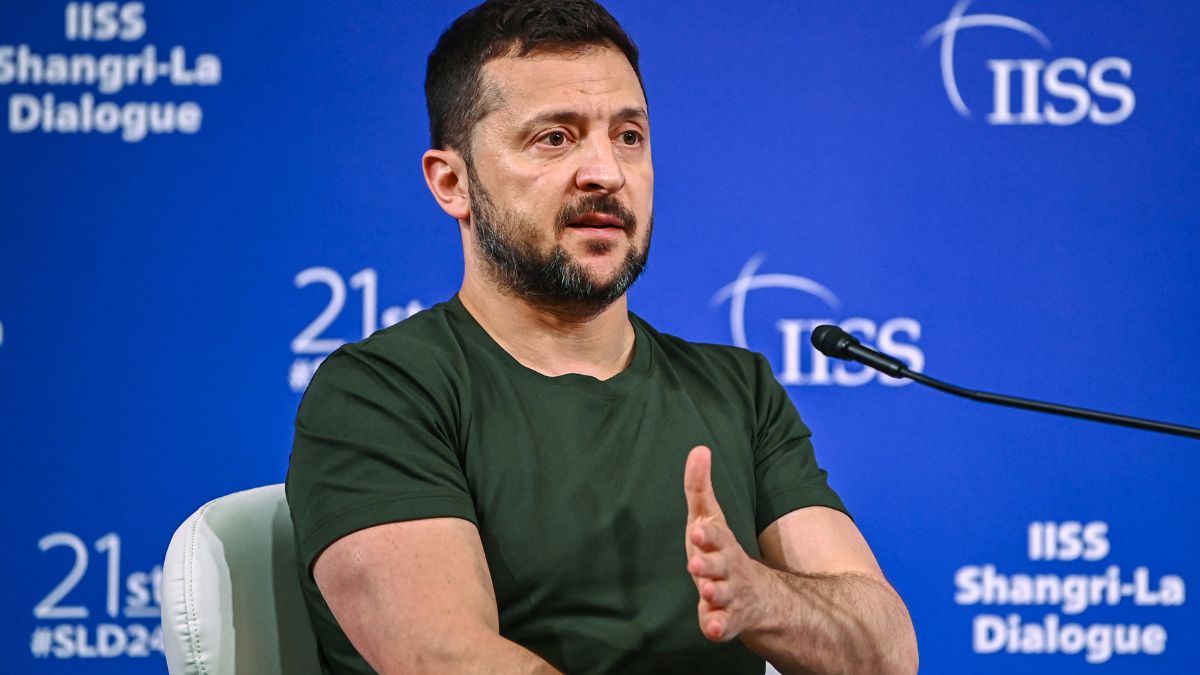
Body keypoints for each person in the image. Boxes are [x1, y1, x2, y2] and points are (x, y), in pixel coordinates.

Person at [286, 1, 918, 673]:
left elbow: (887, 652)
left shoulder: (737, 389)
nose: (607, 173)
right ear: (453, 181)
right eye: (555, 138)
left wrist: (764, 595)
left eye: (628, 136)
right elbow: (445, 658)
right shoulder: (381, 395)